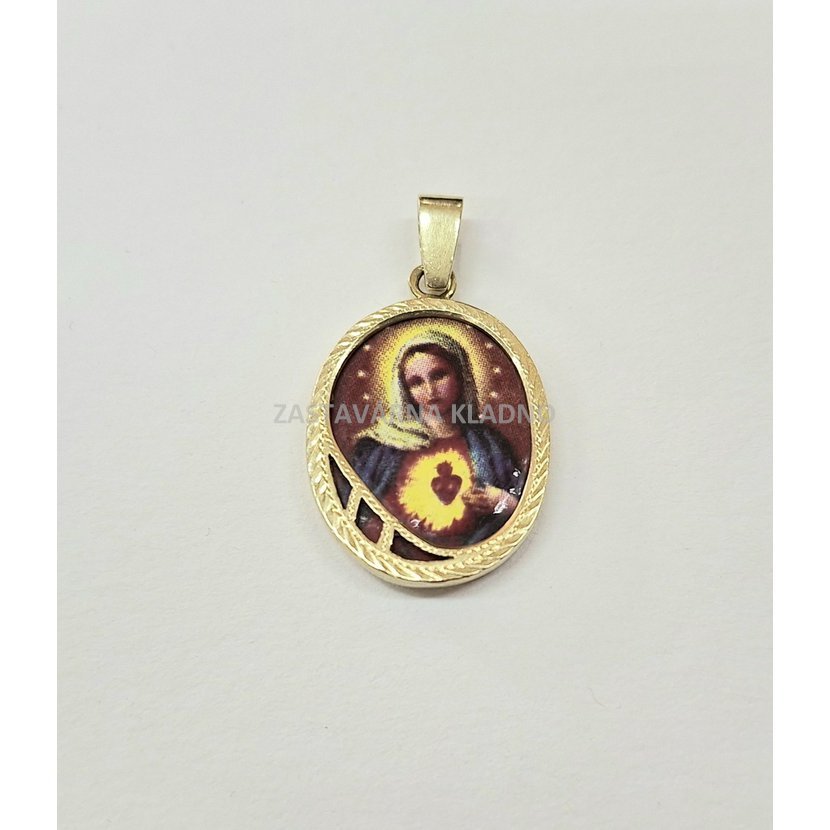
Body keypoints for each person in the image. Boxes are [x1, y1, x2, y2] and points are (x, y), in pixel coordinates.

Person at [350, 329, 524, 560]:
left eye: (439, 375)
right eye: (416, 382)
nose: (430, 390)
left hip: (474, 556)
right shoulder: (382, 447)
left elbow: (518, 503)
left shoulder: (489, 445)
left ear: (460, 375)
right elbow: (358, 509)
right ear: (405, 390)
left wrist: (503, 502)